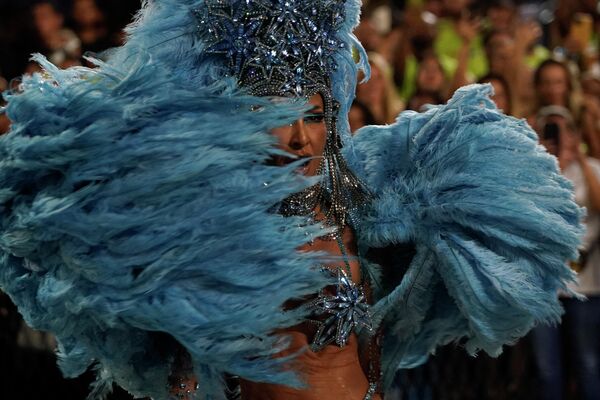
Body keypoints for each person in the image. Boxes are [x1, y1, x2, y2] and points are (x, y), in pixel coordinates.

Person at [0, 1, 583, 399]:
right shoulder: (205, 233)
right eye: (276, 117)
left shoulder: (363, 215)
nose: (300, 136)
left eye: (312, 114)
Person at [532, 106, 600, 400]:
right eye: (551, 130)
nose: (560, 137)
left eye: (564, 129)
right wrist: (554, 164)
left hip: (588, 284)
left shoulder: (594, 168)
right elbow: (539, 216)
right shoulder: (535, 173)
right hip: (546, 288)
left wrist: (581, 159)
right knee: (546, 368)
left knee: (588, 363)